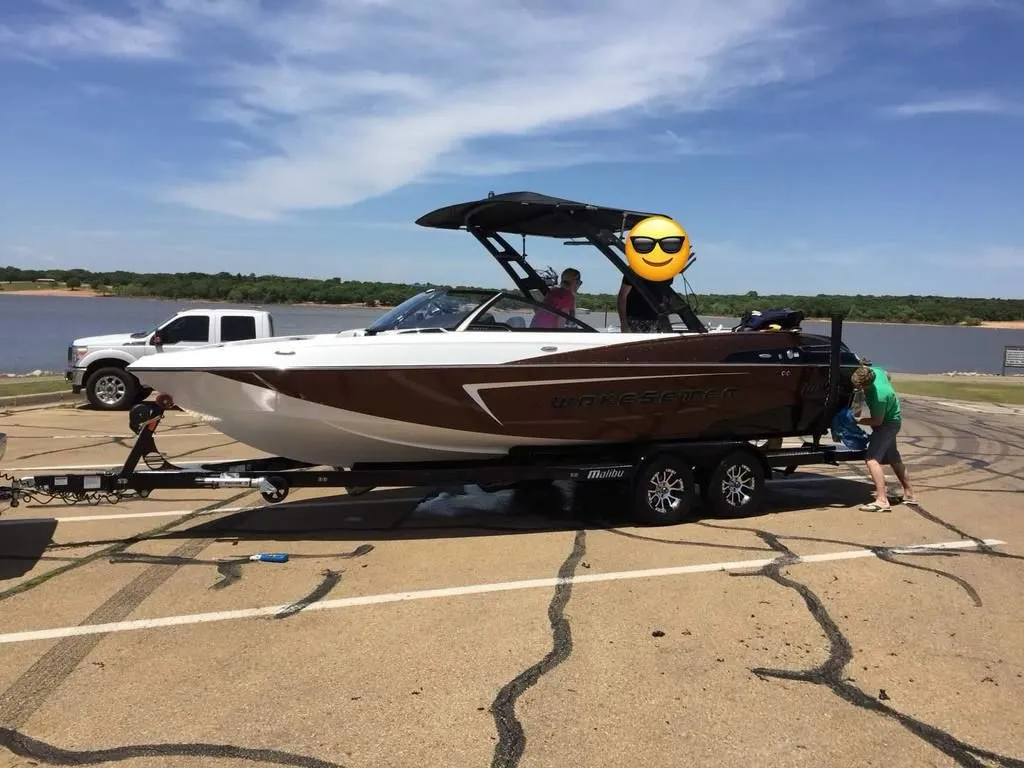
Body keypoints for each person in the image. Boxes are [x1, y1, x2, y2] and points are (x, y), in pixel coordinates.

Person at [851, 364, 919, 512]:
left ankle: (882, 500)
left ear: (866, 384)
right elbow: (887, 375)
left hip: (887, 425)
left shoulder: (878, 397)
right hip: (892, 420)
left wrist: (858, 420)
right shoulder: (876, 371)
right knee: (893, 458)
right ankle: (909, 494)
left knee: (872, 460)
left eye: (860, 386)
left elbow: (877, 421)